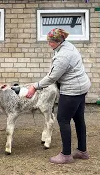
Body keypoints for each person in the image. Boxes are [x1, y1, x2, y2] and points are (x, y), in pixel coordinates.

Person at [25, 28, 91, 164]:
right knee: (78, 119)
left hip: (72, 90)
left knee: (63, 119)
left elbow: (52, 77)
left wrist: (34, 86)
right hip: (82, 86)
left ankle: (66, 155)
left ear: (58, 41)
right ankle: (82, 151)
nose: (49, 44)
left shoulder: (63, 56)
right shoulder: (68, 45)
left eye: (50, 42)